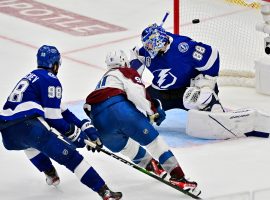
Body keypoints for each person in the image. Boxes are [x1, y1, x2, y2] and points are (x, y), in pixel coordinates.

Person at [0, 45, 122, 200]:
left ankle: (51, 174)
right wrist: (76, 135)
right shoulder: (50, 79)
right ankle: (104, 191)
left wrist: (87, 129)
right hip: (29, 126)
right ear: (55, 64)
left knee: (30, 145)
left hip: (8, 135)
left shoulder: (32, 78)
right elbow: (53, 118)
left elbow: (64, 112)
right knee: (71, 157)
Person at [83, 50, 201, 197]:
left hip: (98, 120)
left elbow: (87, 108)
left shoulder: (101, 82)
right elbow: (137, 92)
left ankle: (150, 164)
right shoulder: (125, 71)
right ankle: (178, 177)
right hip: (119, 110)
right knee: (154, 143)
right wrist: (153, 111)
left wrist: (96, 132)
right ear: (124, 61)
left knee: (126, 146)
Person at [130, 23, 224, 114]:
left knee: (203, 98)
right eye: (146, 44)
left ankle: (215, 109)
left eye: (149, 44)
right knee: (137, 106)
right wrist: (134, 63)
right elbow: (136, 61)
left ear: (158, 40)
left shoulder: (183, 47)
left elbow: (212, 55)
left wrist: (206, 85)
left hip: (187, 91)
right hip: (161, 93)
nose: (147, 47)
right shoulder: (147, 52)